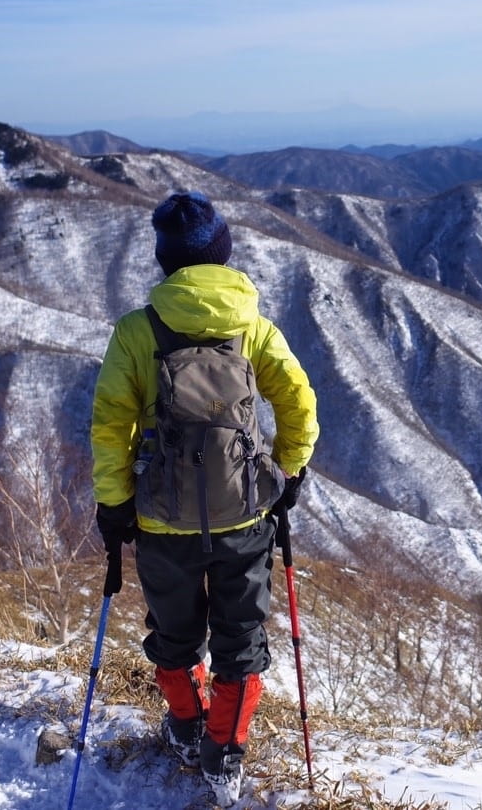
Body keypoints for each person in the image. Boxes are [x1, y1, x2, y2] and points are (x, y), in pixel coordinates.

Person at [90, 190, 318, 803]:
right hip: (244, 513)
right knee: (241, 642)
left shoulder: (138, 332)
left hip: (163, 520)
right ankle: (225, 754)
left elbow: (113, 424)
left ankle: (187, 729)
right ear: (223, 255)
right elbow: (298, 403)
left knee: (175, 635)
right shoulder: (252, 328)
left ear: (167, 263)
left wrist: (114, 504)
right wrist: (289, 473)